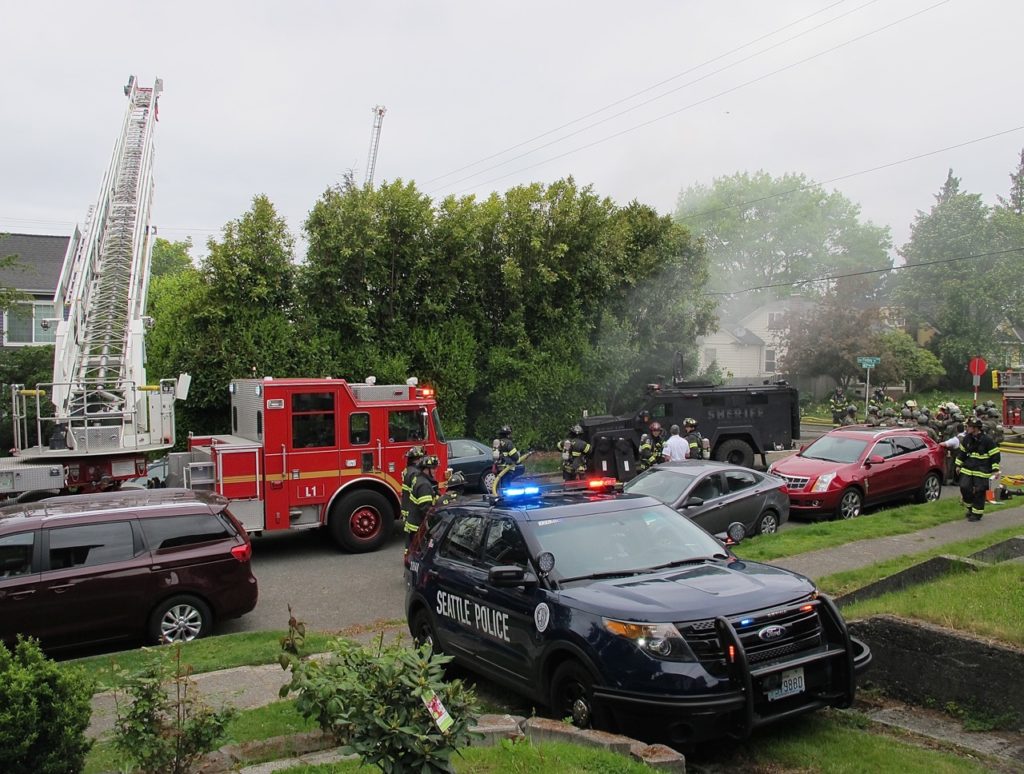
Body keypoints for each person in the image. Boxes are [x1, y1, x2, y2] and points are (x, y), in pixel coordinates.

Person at [955, 417, 1001, 522]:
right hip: (968, 468)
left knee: (980, 491)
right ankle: (970, 508)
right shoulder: (967, 439)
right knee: (964, 487)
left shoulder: (987, 440)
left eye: (969, 426)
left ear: (976, 428)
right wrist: (958, 465)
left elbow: (995, 455)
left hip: (982, 470)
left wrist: (995, 469)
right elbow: (962, 453)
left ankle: (977, 514)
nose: (967, 428)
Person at [404, 452, 439, 550]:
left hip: (412, 522)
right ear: (426, 469)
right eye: (433, 468)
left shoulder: (418, 478)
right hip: (417, 525)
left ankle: (409, 561)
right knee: (418, 550)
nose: (435, 471)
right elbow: (425, 508)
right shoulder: (424, 485)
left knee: (410, 548)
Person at [491, 425, 521, 494]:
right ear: (508, 434)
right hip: (507, 469)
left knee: (499, 485)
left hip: (499, 468)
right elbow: (515, 456)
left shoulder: (497, 442)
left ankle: (498, 495)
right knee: (506, 486)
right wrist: (518, 456)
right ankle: (505, 499)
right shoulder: (508, 443)